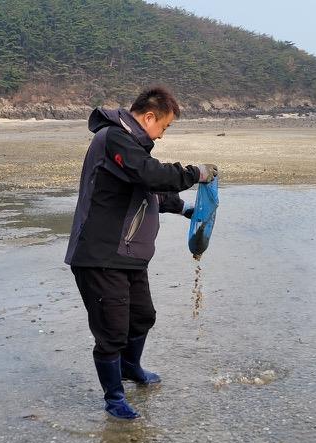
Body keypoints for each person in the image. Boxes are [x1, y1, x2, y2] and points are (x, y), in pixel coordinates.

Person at [65, 86, 217, 419]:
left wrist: (186, 211)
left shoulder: (132, 148)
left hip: (129, 256)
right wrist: (194, 173)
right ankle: (114, 398)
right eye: (164, 126)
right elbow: (149, 174)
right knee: (112, 332)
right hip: (100, 257)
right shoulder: (114, 139)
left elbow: (150, 189)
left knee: (143, 316)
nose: (162, 135)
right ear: (149, 117)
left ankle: (131, 368)